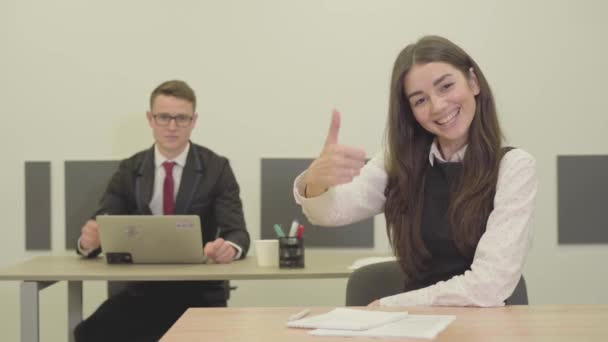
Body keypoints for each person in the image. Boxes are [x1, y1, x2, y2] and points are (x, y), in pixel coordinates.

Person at [293, 35, 537, 307]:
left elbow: (488, 286)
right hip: (413, 327)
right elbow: (329, 213)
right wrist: (315, 180)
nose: (438, 106)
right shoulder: (399, 162)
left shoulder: (513, 167)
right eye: (420, 100)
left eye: (446, 86)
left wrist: (391, 305)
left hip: (482, 327)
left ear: (473, 82)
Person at [74, 80, 250, 341]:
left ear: (194, 121)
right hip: (139, 292)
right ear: (150, 119)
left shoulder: (216, 168)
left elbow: (238, 233)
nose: (172, 126)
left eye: (181, 118)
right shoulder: (129, 169)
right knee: (88, 333)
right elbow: (104, 223)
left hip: (198, 294)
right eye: (164, 117)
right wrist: (89, 242)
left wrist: (228, 249)